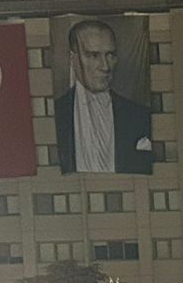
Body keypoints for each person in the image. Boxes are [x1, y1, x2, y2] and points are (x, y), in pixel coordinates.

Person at [55, 17, 153, 174]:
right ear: (73, 59)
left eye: (110, 55)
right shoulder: (55, 116)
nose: (105, 66)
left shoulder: (139, 116)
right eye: (93, 56)